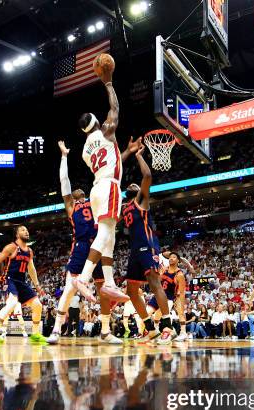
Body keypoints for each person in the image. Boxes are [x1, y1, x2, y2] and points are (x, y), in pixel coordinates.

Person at [47, 141, 125, 345]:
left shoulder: (95, 196)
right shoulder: (71, 205)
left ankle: (106, 332)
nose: (78, 189)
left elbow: (107, 173)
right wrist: (64, 156)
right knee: (69, 289)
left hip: (98, 246)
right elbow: (64, 181)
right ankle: (56, 329)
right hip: (81, 247)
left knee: (104, 291)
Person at [74, 68, 139, 303]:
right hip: (109, 187)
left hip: (97, 188)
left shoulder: (84, 151)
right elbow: (115, 109)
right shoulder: (107, 132)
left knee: (110, 235)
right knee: (105, 233)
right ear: (96, 122)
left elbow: (110, 162)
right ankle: (84, 277)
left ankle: (109, 282)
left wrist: (128, 152)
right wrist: (109, 83)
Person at [123, 145, 174, 345]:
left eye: (137, 185)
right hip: (135, 250)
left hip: (148, 245)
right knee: (131, 291)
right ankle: (150, 329)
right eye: (133, 185)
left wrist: (138, 156)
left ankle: (168, 327)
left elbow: (147, 176)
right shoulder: (125, 207)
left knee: (154, 284)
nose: (136, 185)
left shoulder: (140, 201)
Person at [0, 226, 47, 344]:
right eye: (22, 230)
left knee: (37, 305)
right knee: (12, 304)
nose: (26, 232)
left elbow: (31, 269)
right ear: (17, 234)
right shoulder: (12, 247)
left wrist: (37, 285)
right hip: (10, 279)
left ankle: (35, 334)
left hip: (21, 281)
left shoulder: (29, 251)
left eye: (27, 230)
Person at [147, 252, 187, 341]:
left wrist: (182, 304)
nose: (171, 258)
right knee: (147, 313)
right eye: (170, 257)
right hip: (157, 296)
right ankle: (155, 330)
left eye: (174, 257)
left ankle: (182, 333)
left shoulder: (179, 275)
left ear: (178, 261)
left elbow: (182, 292)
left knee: (179, 312)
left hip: (169, 298)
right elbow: (157, 282)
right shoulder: (164, 269)